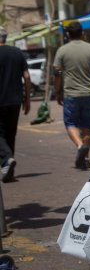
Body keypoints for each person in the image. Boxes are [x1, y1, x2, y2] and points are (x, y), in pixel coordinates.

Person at [53, 21, 90, 170]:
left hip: (71, 94)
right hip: (89, 94)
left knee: (70, 123)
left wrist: (57, 91)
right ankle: (86, 158)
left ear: (68, 34)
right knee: (87, 126)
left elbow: (57, 73)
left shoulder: (62, 51)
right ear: (82, 33)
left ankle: (80, 145)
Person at [0, 26, 31, 182]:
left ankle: (6, 159)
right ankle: (9, 171)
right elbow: (27, 76)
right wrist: (27, 98)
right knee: (10, 134)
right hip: (15, 100)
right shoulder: (17, 53)